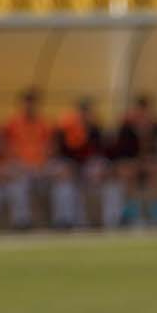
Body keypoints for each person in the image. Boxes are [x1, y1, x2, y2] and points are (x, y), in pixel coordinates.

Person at [0, 88, 52, 231]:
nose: (29, 106)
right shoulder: (12, 123)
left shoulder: (43, 124)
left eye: (32, 102)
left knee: (63, 181)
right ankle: (21, 222)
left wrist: (42, 166)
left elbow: (50, 149)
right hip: (19, 168)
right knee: (18, 185)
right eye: (27, 102)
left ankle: (64, 222)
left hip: (40, 168)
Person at [53, 96, 110, 229]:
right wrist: (71, 166)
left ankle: (100, 222)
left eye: (87, 110)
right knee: (64, 187)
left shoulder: (95, 128)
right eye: (83, 110)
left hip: (87, 167)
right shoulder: (67, 126)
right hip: (70, 165)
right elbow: (62, 151)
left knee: (100, 181)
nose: (85, 114)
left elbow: (99, 153)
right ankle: (64, 221)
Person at [105, 94, 157, 225]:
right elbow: (121, 150)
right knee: (127, 172)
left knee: (156, 171)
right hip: (131, 161)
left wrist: (146, 153)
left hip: (147, 161)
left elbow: (156, 149)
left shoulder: (155, 125)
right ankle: (131, 213)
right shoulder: (127, 126)